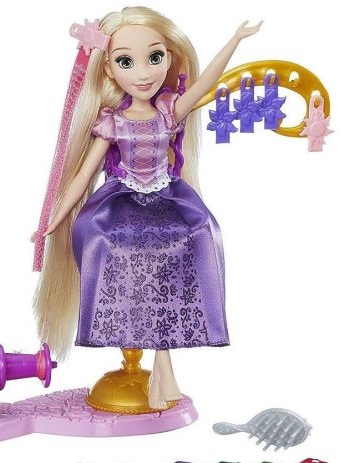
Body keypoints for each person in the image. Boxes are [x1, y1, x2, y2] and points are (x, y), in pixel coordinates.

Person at [32, 7, 262, 409]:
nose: (143, 73)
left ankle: (162, 358)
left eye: (154, 57)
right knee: (104, 240)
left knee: (200, 234)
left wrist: (235, 40)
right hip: (121, 203)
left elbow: (207, 82)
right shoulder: (112, 122)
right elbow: (83, 176)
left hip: (168, 199)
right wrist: (52, 222)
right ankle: (149, 354)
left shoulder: (169, 112)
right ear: (109, 69)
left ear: (169, 58)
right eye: (126, 62)